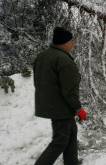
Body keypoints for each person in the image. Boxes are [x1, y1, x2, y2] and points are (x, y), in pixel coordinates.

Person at [33, 27, 86, 165]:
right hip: (60, 107)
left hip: (51, 104)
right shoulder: (63, 60)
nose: (72, 43)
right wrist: (78, 108)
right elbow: (69, 90)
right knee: (60, 140)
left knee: (71, 132)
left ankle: (71, 162)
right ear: (64, 43)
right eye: (71, 41)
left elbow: (38, 81)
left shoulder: (43, 56)